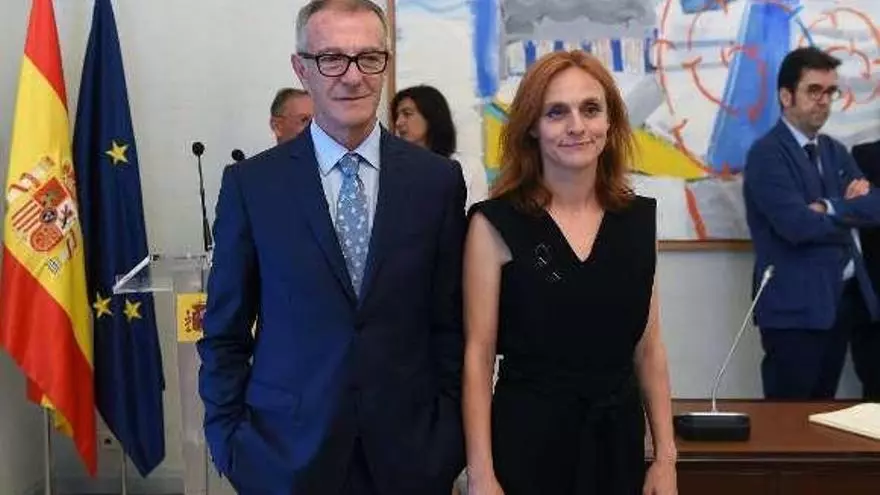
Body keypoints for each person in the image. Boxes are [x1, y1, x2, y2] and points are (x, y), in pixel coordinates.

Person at [197, 1, 467, 493]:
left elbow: (449, 324)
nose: (353, 76)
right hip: (284, 456)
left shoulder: (437, 182)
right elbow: (225, 332)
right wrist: (229, 441)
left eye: (369, 58)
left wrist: (448, 438)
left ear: (385, 64)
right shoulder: (252, 186)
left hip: (411, 456)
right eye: (332, 59)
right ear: (301, 68)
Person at [462, 50, 677, 495]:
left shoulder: (638, 221)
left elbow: (649, 349)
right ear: (531, 128)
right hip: (528, 442)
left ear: (610, 122)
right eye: (556, 112)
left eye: (590, 109)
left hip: (616, 442)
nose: (577, 126)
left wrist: (665, 458)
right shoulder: (493, 224)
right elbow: (478, 358)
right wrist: (481, 474)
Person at [743, 46, 880, 400]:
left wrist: (828, 207)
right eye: (813, 90)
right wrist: (850, 211)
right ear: (786, 96)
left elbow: (875, 207)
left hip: (840, 305)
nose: (823, 101)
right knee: (789, 420)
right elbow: (797, 225)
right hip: (794, 310)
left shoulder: (834, 150)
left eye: (830, 92)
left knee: (822, 416)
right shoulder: (766, 155)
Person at [392, 84, 489, 210]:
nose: (398, 123)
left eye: (407, 114)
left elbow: (477, 215)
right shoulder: (393, 168)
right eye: (397, 116)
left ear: (431, 116)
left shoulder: (469, 167)